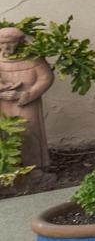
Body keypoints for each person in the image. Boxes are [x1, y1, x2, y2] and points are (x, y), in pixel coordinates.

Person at [0, 27, 54, 172]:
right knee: (6, 135)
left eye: (10, 43)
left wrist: (26, 95)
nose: (6, 47)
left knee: (29, 131)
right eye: (2, 43)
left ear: (19, 42)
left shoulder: (33, 58)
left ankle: (34, 167)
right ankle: (10, 169)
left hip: (26, 104)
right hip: (3, 105)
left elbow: (46, 77)